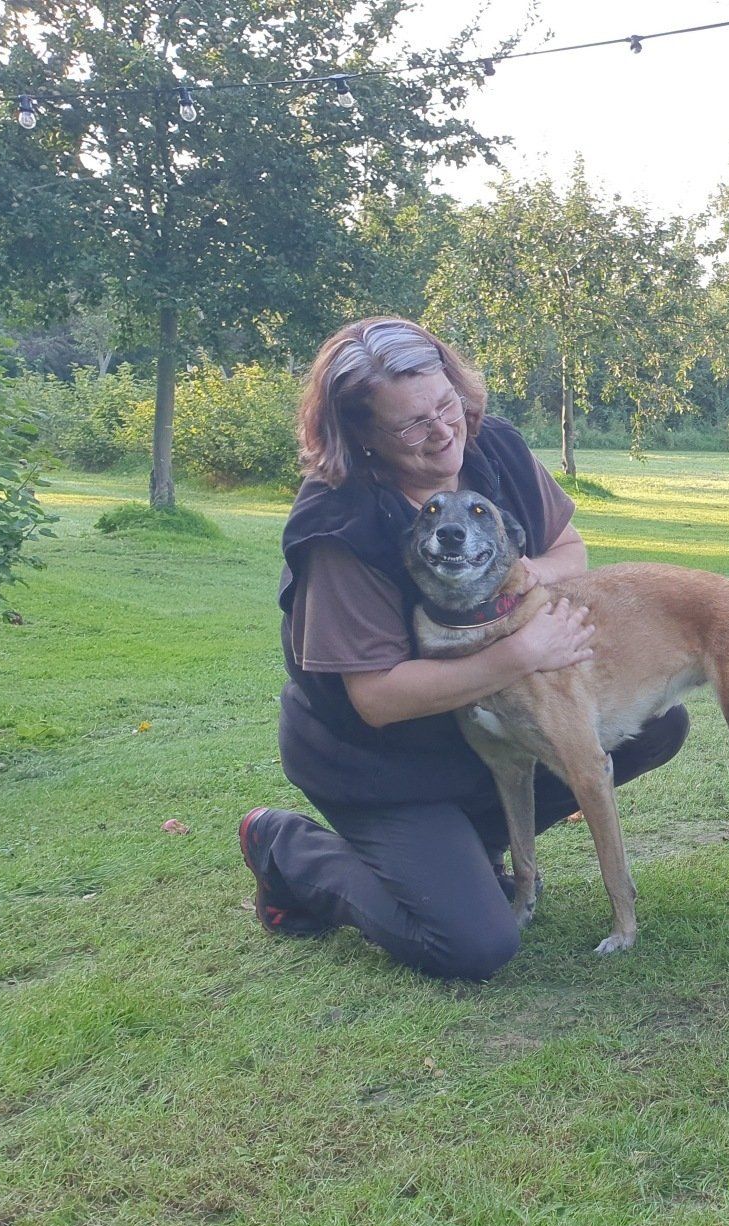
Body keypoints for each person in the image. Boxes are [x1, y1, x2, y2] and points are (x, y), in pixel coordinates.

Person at [236, 317, 689, 981]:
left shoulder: (491, 445)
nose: (444, 432)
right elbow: (378, 700)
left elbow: (569, 549)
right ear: (361, 435)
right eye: (412, 425)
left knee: (652, 724)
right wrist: (522, 652)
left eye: (446, 405)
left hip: (473, 737)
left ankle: (471, 846)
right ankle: (287, 848)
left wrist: (523, 580)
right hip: (380, 765)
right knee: (472, 944)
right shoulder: (339, 525)